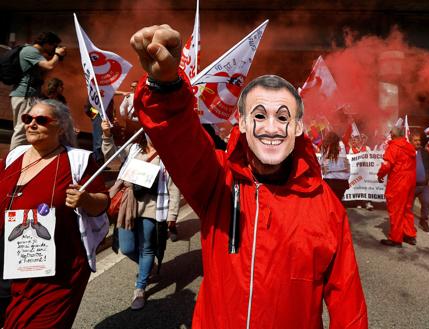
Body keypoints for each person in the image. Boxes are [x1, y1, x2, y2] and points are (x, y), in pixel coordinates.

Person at [130, 24, 367, 328]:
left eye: (283, 117)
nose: (271, 128)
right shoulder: (218, 182)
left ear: (297, 127)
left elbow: (348, 305)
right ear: (241, 123)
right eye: (259, 115)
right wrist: (165, 86)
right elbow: (177, 135)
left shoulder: (327, 207)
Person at [0, 99, 109, 328]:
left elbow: (102, 202)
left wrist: (86, 199)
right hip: (6, 263)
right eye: (27, 119)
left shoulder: (78, 160)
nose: (31, 124)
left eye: (41, 120)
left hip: (53, 271)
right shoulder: (14, 157)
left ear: (60, 127)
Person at [101, 119, 180, 310]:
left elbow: (174, 186)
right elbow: (112, 158)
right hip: (129, 203)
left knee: (147, 247)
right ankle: (148, 266)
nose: (152, 134)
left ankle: (140, 288)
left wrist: (172, 214)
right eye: (149, 131)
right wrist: (106, 135)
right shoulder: (134, 148)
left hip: (153, 205)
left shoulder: (169, 155)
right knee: (127, 248)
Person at [9, 32, 66, 150]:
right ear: (46, 43)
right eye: (53, 46)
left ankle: (19, 160)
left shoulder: (33, 52)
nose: (53, 49)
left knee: (24, 129)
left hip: (27, 95)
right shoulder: (30, 51)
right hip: (25, 95)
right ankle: (12, 162)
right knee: (22, 129)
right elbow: (49, 66)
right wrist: (57, 54)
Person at [377, 127, 416, 247]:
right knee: (407, 208)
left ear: (393, 135)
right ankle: (409, 235)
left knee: (396, 209)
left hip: (398, 181)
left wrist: (380, 175)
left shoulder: (393, 146)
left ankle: (395, 238)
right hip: (410, 180)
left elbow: (387, 165)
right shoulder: (409, 146)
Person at [411, 132, 429, 232]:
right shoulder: (407, 152)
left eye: (419, 140)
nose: (418, 142)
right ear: (410, 141)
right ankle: (409, 225)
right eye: (415, 140)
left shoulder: (425, 152)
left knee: (426, 202)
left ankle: (423, 221)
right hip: (411, 185)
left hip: (424, 185)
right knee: (408, 206)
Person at [319, 131, 350, 200]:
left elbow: (322, 162)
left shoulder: (325, 145)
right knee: (338, 201)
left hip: (329, 180)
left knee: (331, 202)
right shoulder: (341, 144)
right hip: (342, 180)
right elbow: (345, 162)